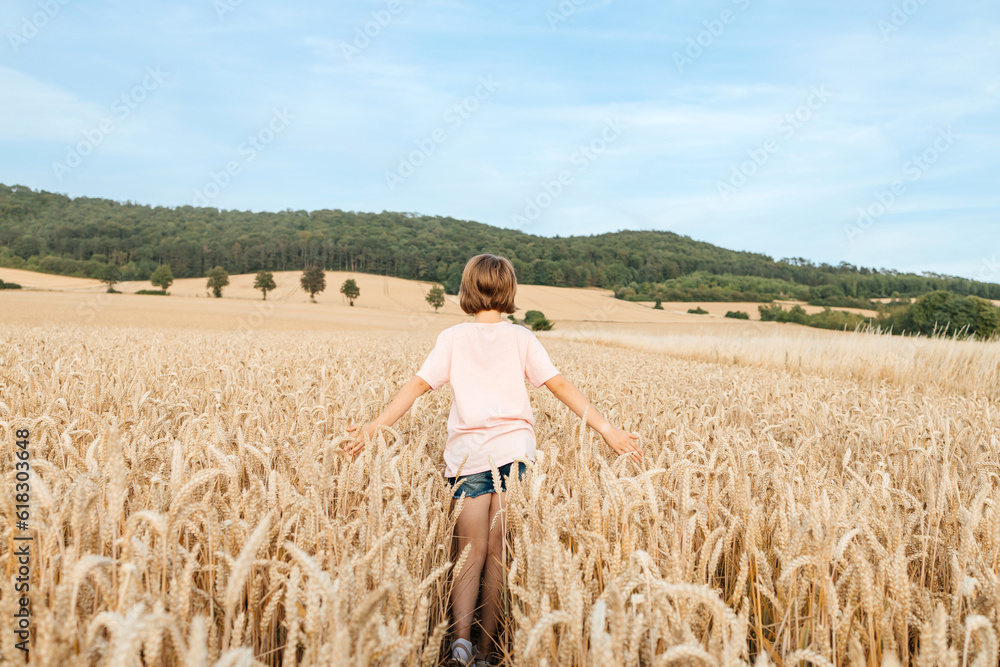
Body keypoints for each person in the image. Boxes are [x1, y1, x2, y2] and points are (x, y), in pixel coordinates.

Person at [345, 253, 642, 666]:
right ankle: (487, 651)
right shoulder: (521, 338)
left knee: (470, 552)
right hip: (515, 454)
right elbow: (558, 384)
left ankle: (461, 644)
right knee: (499, 552)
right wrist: (606, 428)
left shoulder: (451, 338)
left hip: (468, 459)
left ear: (466, 290)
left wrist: (373, 427)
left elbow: (417, 386)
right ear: (509, 291)